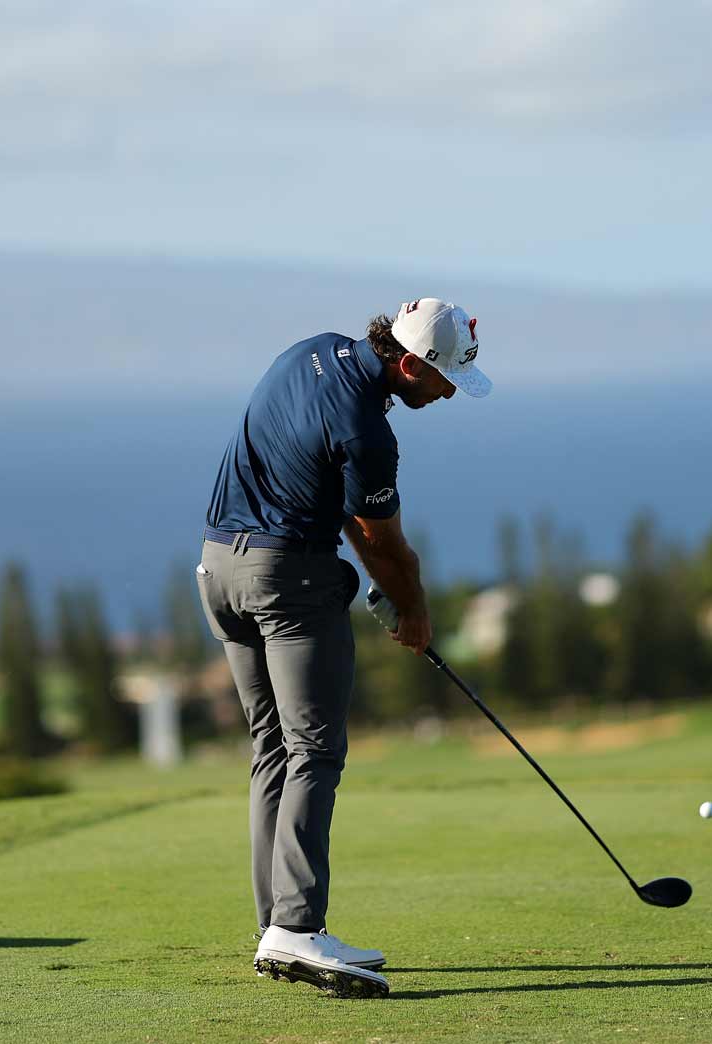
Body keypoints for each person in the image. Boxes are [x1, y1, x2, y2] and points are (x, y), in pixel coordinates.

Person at [195, 298, 491, 998]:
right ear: (412, 363)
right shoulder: (370, 430)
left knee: (274, 747)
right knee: (316, 749)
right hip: (285, 579)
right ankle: (296, 928)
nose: (448, 392)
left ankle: (278, 927)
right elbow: (383, 540)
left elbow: (349, 508)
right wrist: (412, 608)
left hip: (217, 570)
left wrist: (385, 588)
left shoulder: (312, 350)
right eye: (444, 379)